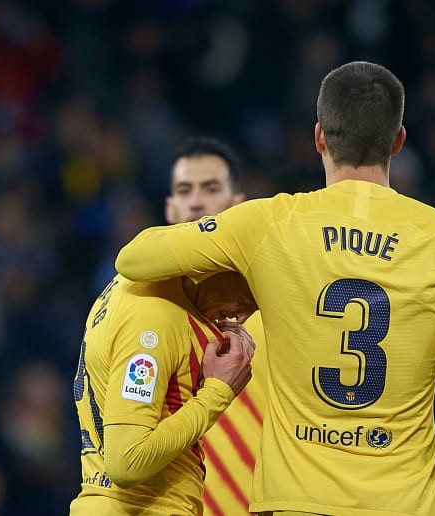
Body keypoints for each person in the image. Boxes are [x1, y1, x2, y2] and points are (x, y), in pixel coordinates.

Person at [115, 61, 435, 516]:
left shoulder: (269, 223)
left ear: (320, 137)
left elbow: (134, 258)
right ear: (398, 141)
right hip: (404, 503)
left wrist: (233, 278)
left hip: (295, 500)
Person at [68, 270, 257, 515]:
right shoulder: (154, 318)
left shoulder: (133, 283)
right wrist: (218, 392)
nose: (243, 313)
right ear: (215, 259)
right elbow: (128, 460)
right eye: (246, 294)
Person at [165, 137, 269, 515]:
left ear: (237, 205)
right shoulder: (144, 307)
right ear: (170, 207)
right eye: (184, 190)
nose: (196, 202)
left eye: (210, 189)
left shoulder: (272, 303)